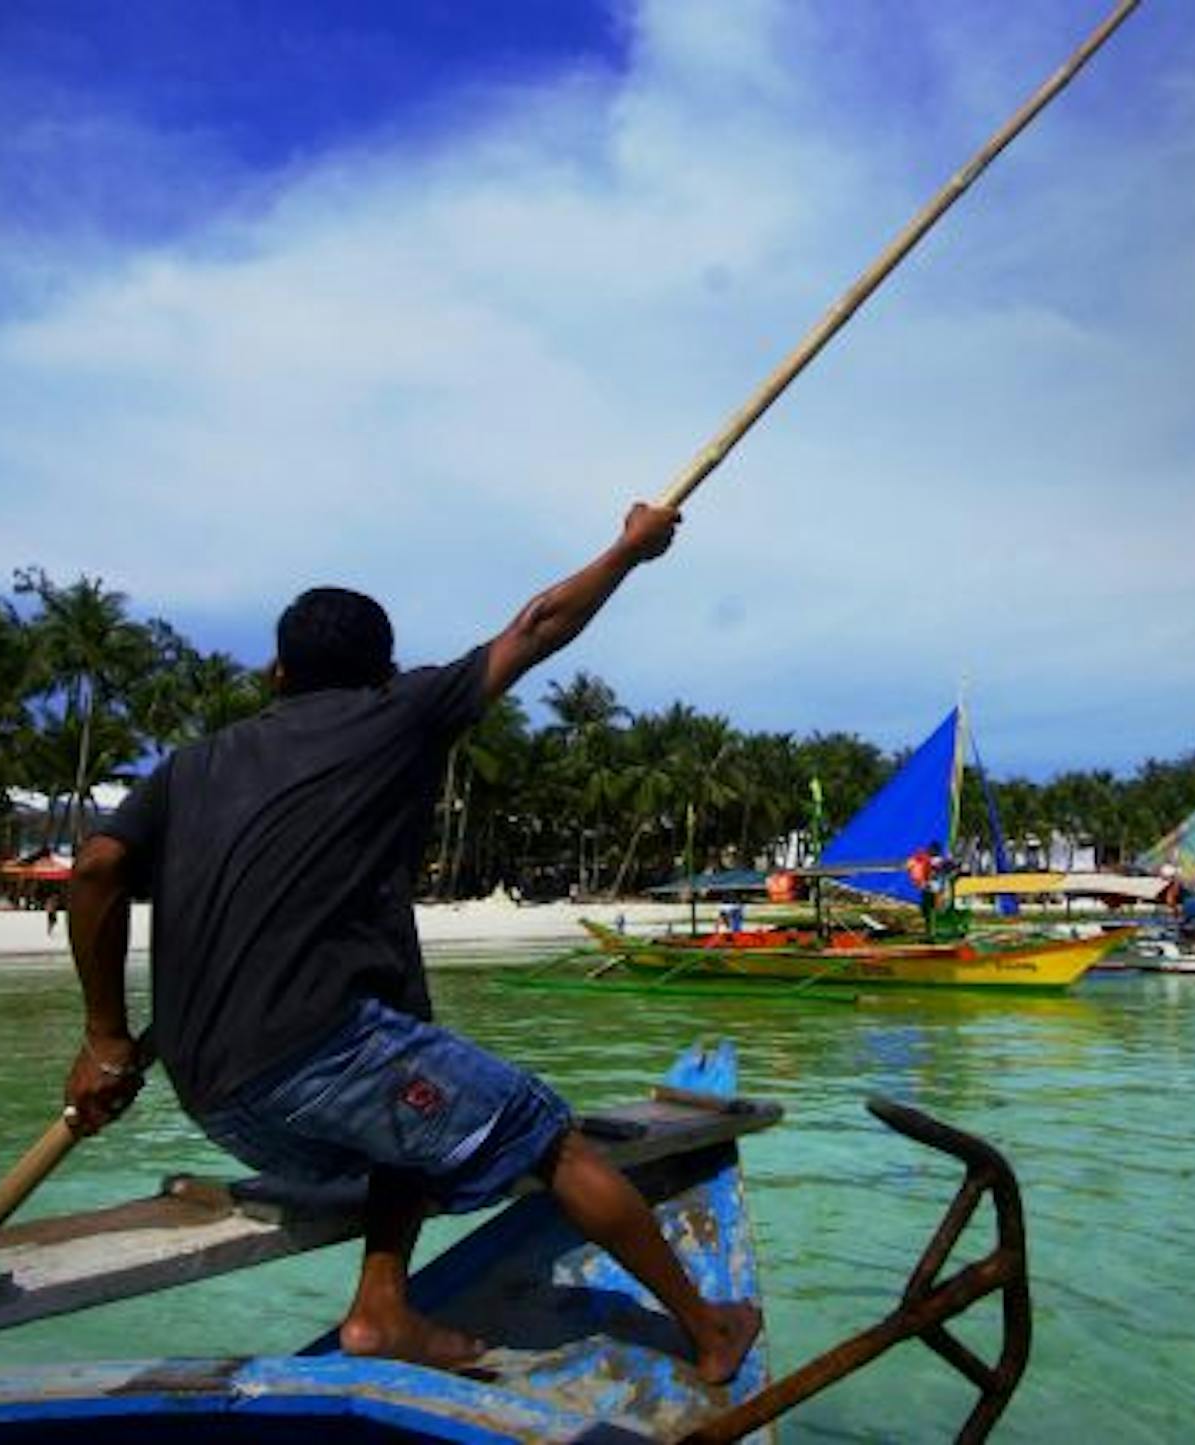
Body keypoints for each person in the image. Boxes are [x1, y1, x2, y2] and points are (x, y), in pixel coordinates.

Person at [62, 502, 759, 1383]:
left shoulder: (191, 763)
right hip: (313, 1065)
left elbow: (95, 870)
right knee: (551, 1136)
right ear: (382, 671)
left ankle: (381, 1311)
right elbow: (537, 626)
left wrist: (106, 1039)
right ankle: (708, 1327)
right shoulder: (398, 712)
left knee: (416, 1099)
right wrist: (630, 550)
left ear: (276, 673)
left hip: (214, 1098)